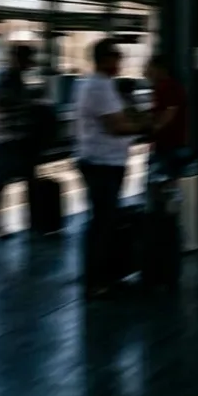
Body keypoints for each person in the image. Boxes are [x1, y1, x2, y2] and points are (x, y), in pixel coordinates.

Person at [74, 39, 145, 299]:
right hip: (102, 163)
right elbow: (116, 126)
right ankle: (96, 282)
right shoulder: (100, 86)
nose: (120, 63)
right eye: (117, 57)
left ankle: (105, 276)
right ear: (104, 59)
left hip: (103, 161)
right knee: (103, 223)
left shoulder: (97, 84)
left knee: (104, 221)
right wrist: (145, 127)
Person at [0, 44, 39, 237]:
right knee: (3, 182)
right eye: (28, 59)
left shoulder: (15, 79)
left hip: (14, 138)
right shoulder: (9, 79)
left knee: (16, 181)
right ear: (18, 59)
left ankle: (27, 220)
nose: (31, 63)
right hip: (8, 139)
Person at [146, 56, 189, 179]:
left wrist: (154, 128)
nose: (147, 71)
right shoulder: (162, 87)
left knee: (161, 181)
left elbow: (169, 113)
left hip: (170, 145)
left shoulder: (167, 87)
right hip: (167, 145)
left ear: (160, 69)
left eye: (150, 68)